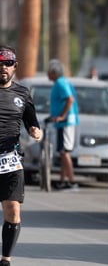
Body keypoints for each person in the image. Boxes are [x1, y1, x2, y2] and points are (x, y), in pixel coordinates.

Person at [0, 45, 42, 266]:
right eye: (0, 64)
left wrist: (36, 130)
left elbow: (32, 121)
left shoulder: (22, 94)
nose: (3, 68)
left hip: (10, 160)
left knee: (13, 210)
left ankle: (5, 258)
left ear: (15, 66)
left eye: (8, 63)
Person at [47, 59, 79, 190]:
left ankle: (71, 182)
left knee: (65, 152)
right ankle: (62, 181)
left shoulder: (60, 83)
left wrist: (62, 116)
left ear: (54, 72)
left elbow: (69, 99)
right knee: (62, 152)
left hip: (66, 122)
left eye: (49, 71)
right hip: (62, 123)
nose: (47, 74)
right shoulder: (61, 83)